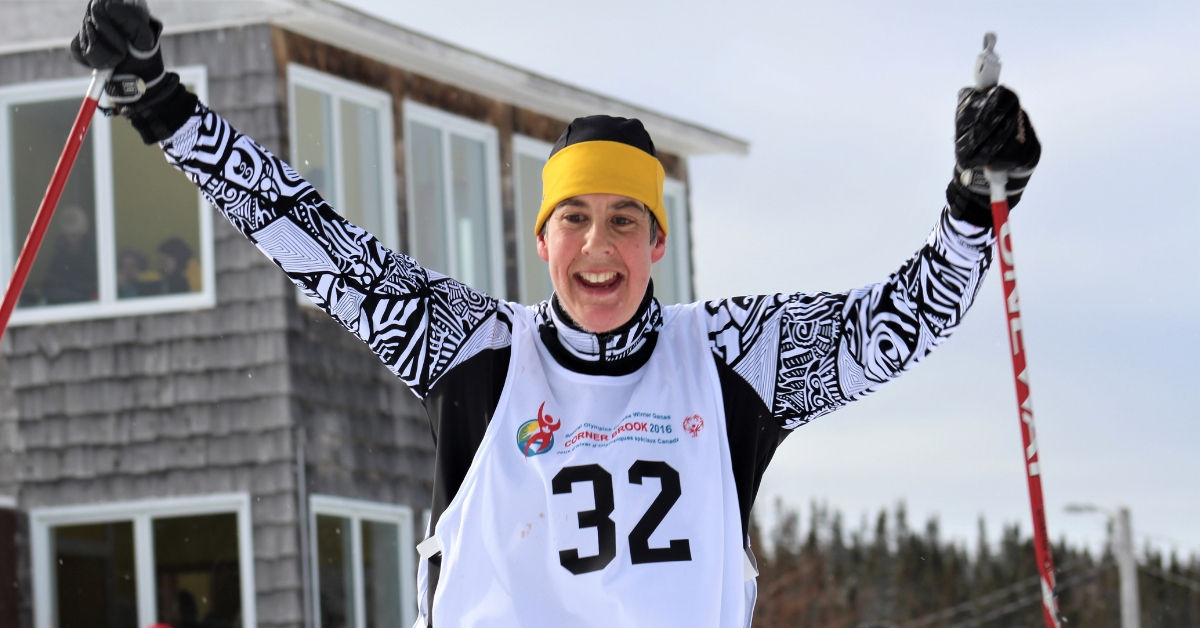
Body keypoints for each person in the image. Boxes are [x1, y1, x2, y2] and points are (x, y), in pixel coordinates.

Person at [70, 2, 1039, 627]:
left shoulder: (735, 355)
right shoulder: (473, 348)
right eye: (573, 219)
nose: (597, 246)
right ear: (542, 239)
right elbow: (313, 238)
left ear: (658, 242)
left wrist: (972, 202)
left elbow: (899, 323)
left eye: (625, 221)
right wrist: (161, 105)